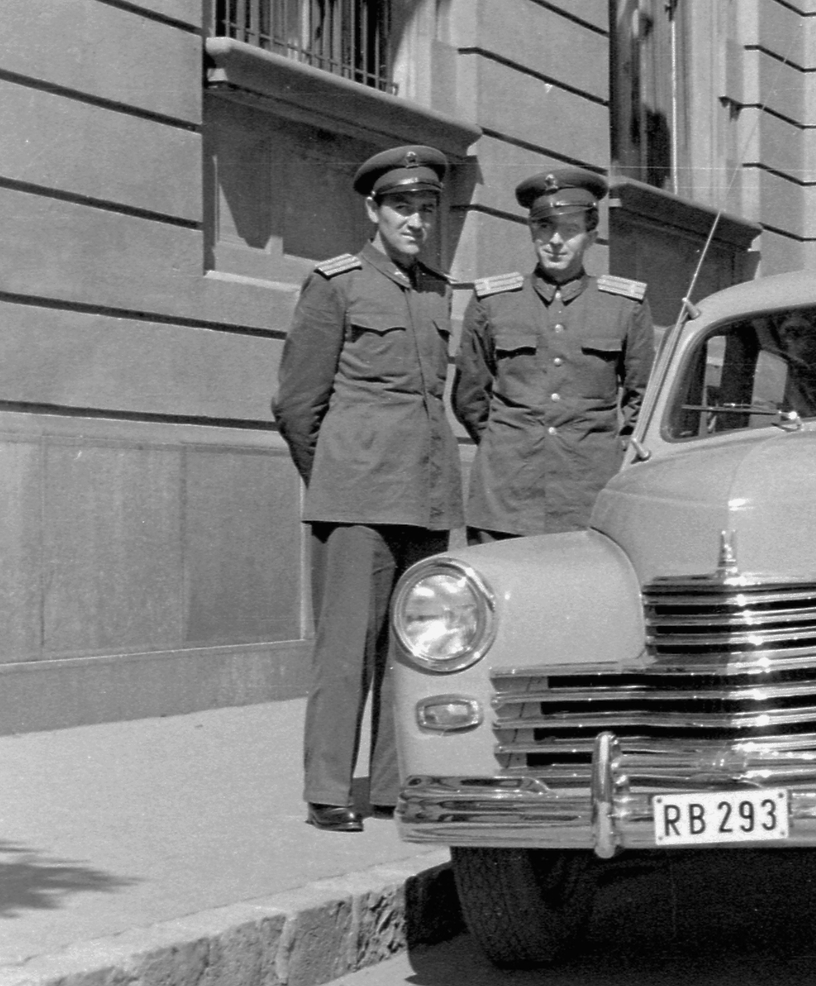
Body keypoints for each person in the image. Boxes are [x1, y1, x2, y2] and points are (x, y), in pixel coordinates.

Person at [271, 145, 462, 832]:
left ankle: (388, 786)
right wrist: (339, 476)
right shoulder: (337, 285)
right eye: (403, 206)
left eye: (427, 208)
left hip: (428, 492)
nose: (416, 220)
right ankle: (327, 790)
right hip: (357, 498)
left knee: (412, 649)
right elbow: (297, 405)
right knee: (347, 647)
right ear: (373, 209)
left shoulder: (439, 291)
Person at [452, 168, 655, 543]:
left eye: (570, 230)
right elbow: (469, 397)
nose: (556, 241)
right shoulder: (493, 302)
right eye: (545, 227)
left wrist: (609, 455)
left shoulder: (624, 306)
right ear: (531, 231)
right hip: (505, 498)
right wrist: (508, 445)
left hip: (589, 496)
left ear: (591, 236)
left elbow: (642, 401)